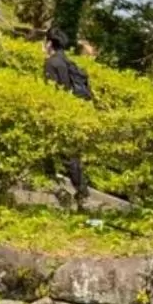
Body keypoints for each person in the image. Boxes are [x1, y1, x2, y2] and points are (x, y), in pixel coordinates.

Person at [42, 27, 94, 198]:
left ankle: (76, 190)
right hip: (71, 110)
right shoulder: (67, 61)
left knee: (58, 151)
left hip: (57, 112)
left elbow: (51, 90)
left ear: (49, 43)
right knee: (68, 154)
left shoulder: (51, 63)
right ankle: (80, 189)